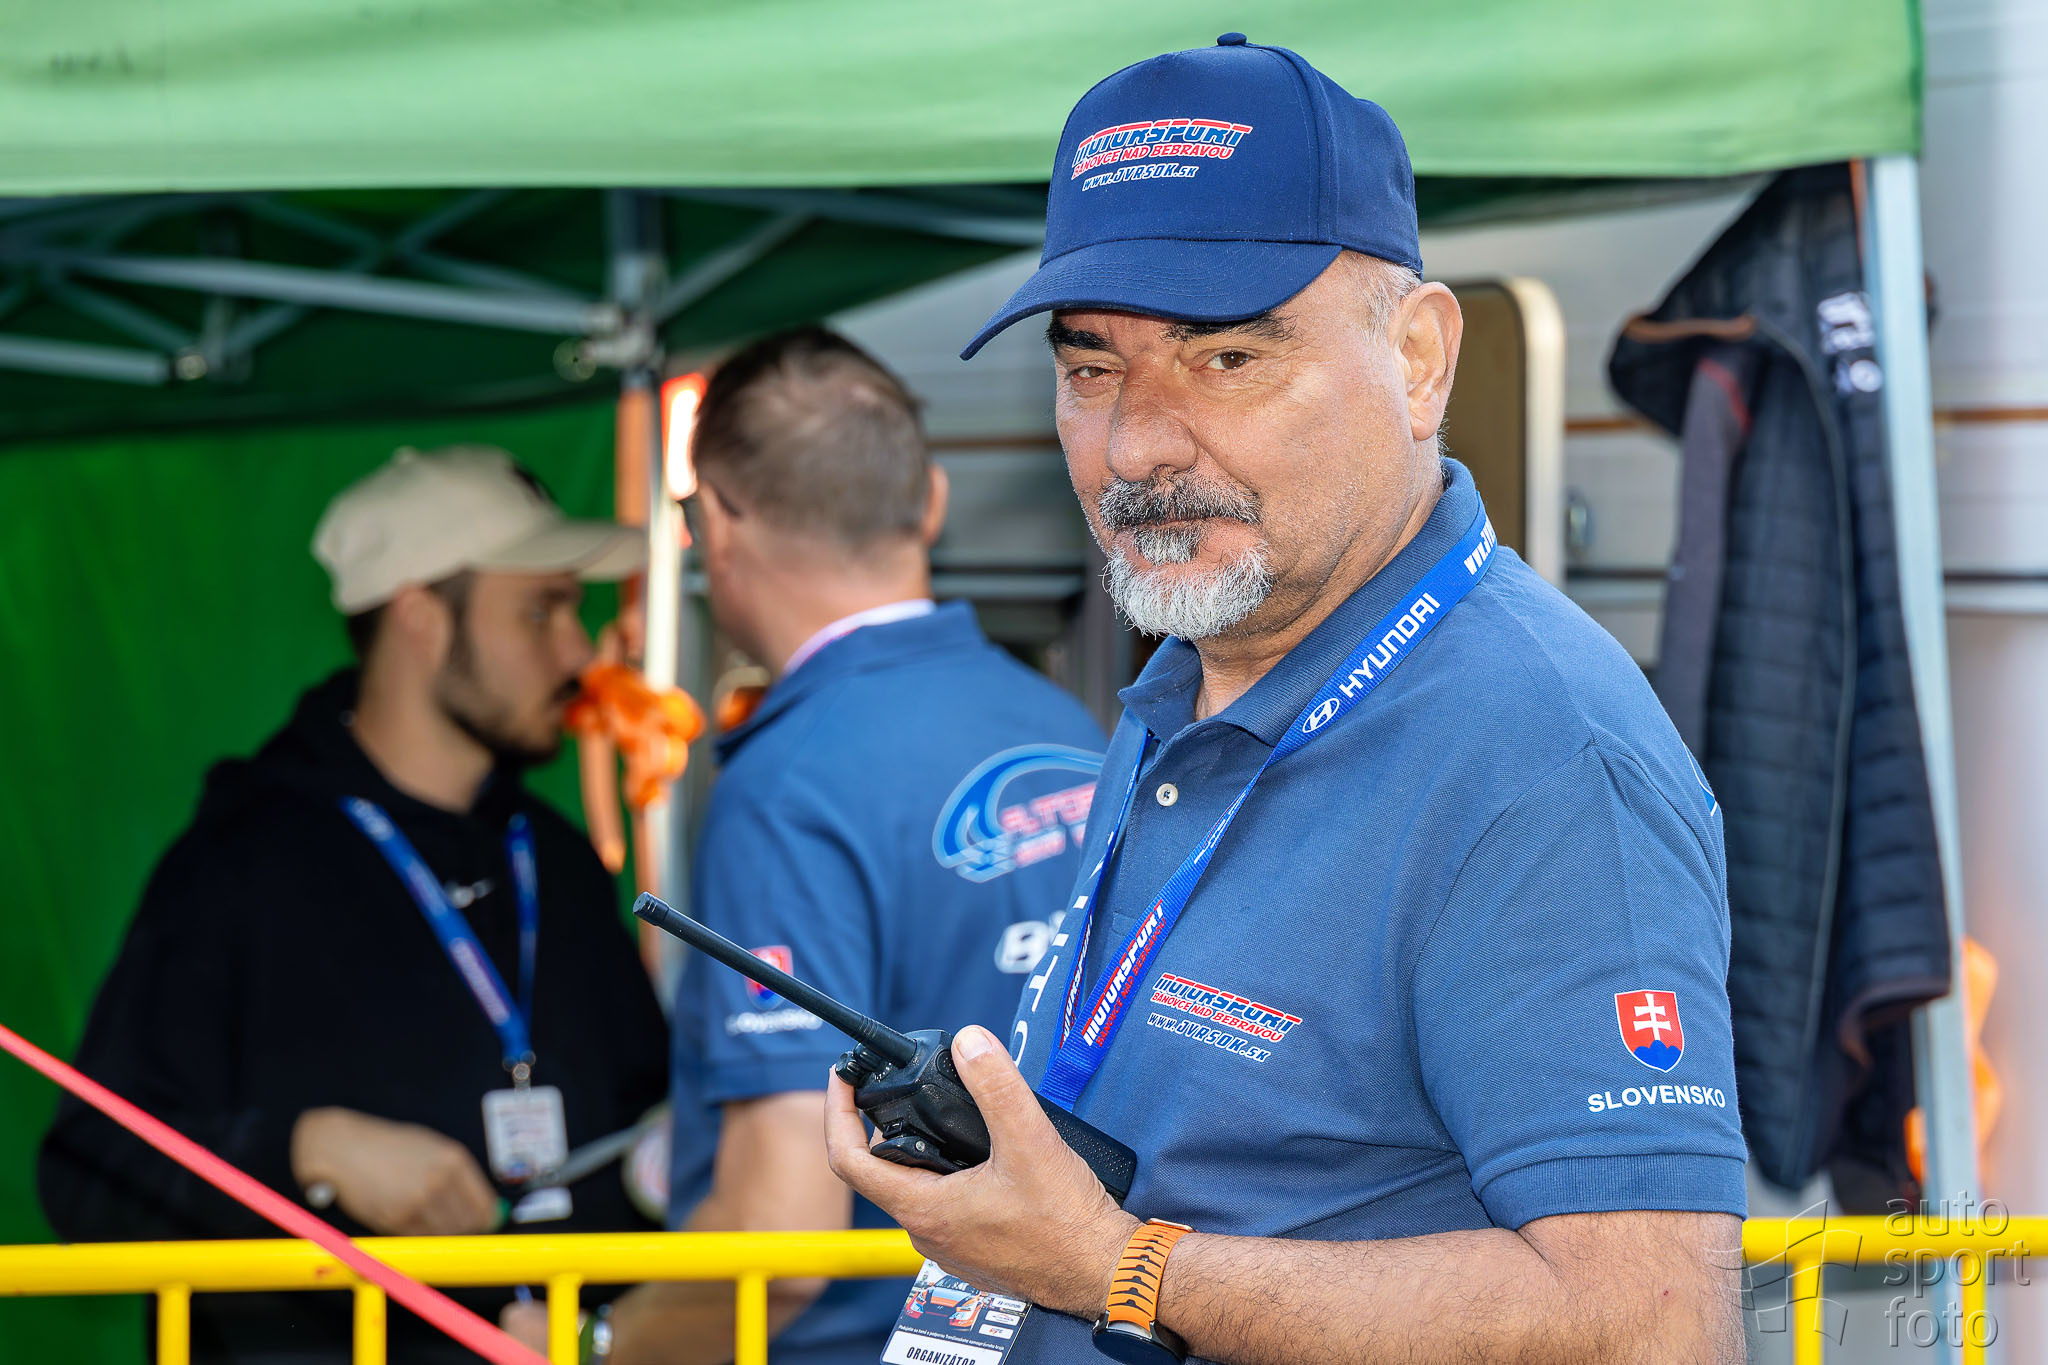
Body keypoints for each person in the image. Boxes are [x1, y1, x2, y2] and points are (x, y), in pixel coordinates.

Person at [823, 36, 1748, 1365]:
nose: (1136, 445)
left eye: (1225, 360)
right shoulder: (1193, 673)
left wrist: (1113, 1265)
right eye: (1090, 371)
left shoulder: (1541, 753)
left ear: (1418, 360)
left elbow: (1650, 1326)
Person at [39, 445, 670, 1364]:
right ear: (420, 617)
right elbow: (88, 1169)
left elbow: (647, 1112)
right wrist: (306, 1150)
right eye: (542, 609)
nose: (579, 649)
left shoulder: (557, 858)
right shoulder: (238, 862)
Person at [586, 328, 1108, 1365]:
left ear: (714, 521)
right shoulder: (1070, 728)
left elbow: (778, 1239)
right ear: (932, 501)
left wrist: (594, 1342)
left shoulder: (787, 784)